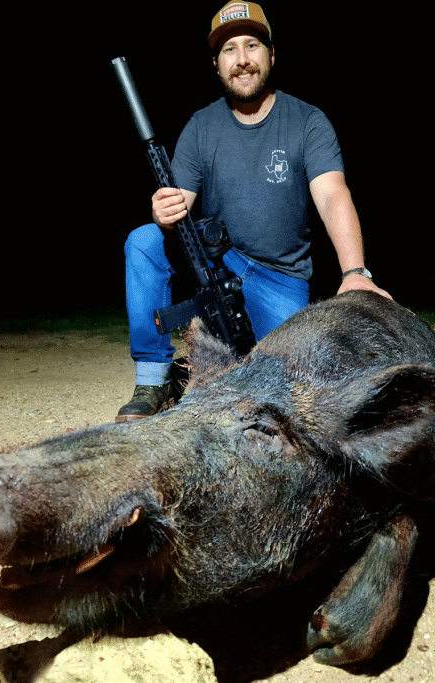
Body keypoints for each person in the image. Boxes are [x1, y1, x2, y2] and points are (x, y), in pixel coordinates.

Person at [118, 2, 389, 422]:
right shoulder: (200, 126)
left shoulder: (307, 121)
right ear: (216, 64)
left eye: (252, 46)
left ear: (271, 55)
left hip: (279, 283)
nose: (242, 59)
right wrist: (163, 211)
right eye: (229, 50)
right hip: (219, 265)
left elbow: (333, 195)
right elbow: (180, 209)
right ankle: (153, 378)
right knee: (144, 240)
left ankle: (201, 363)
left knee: (297, 393)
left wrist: (355, 272)